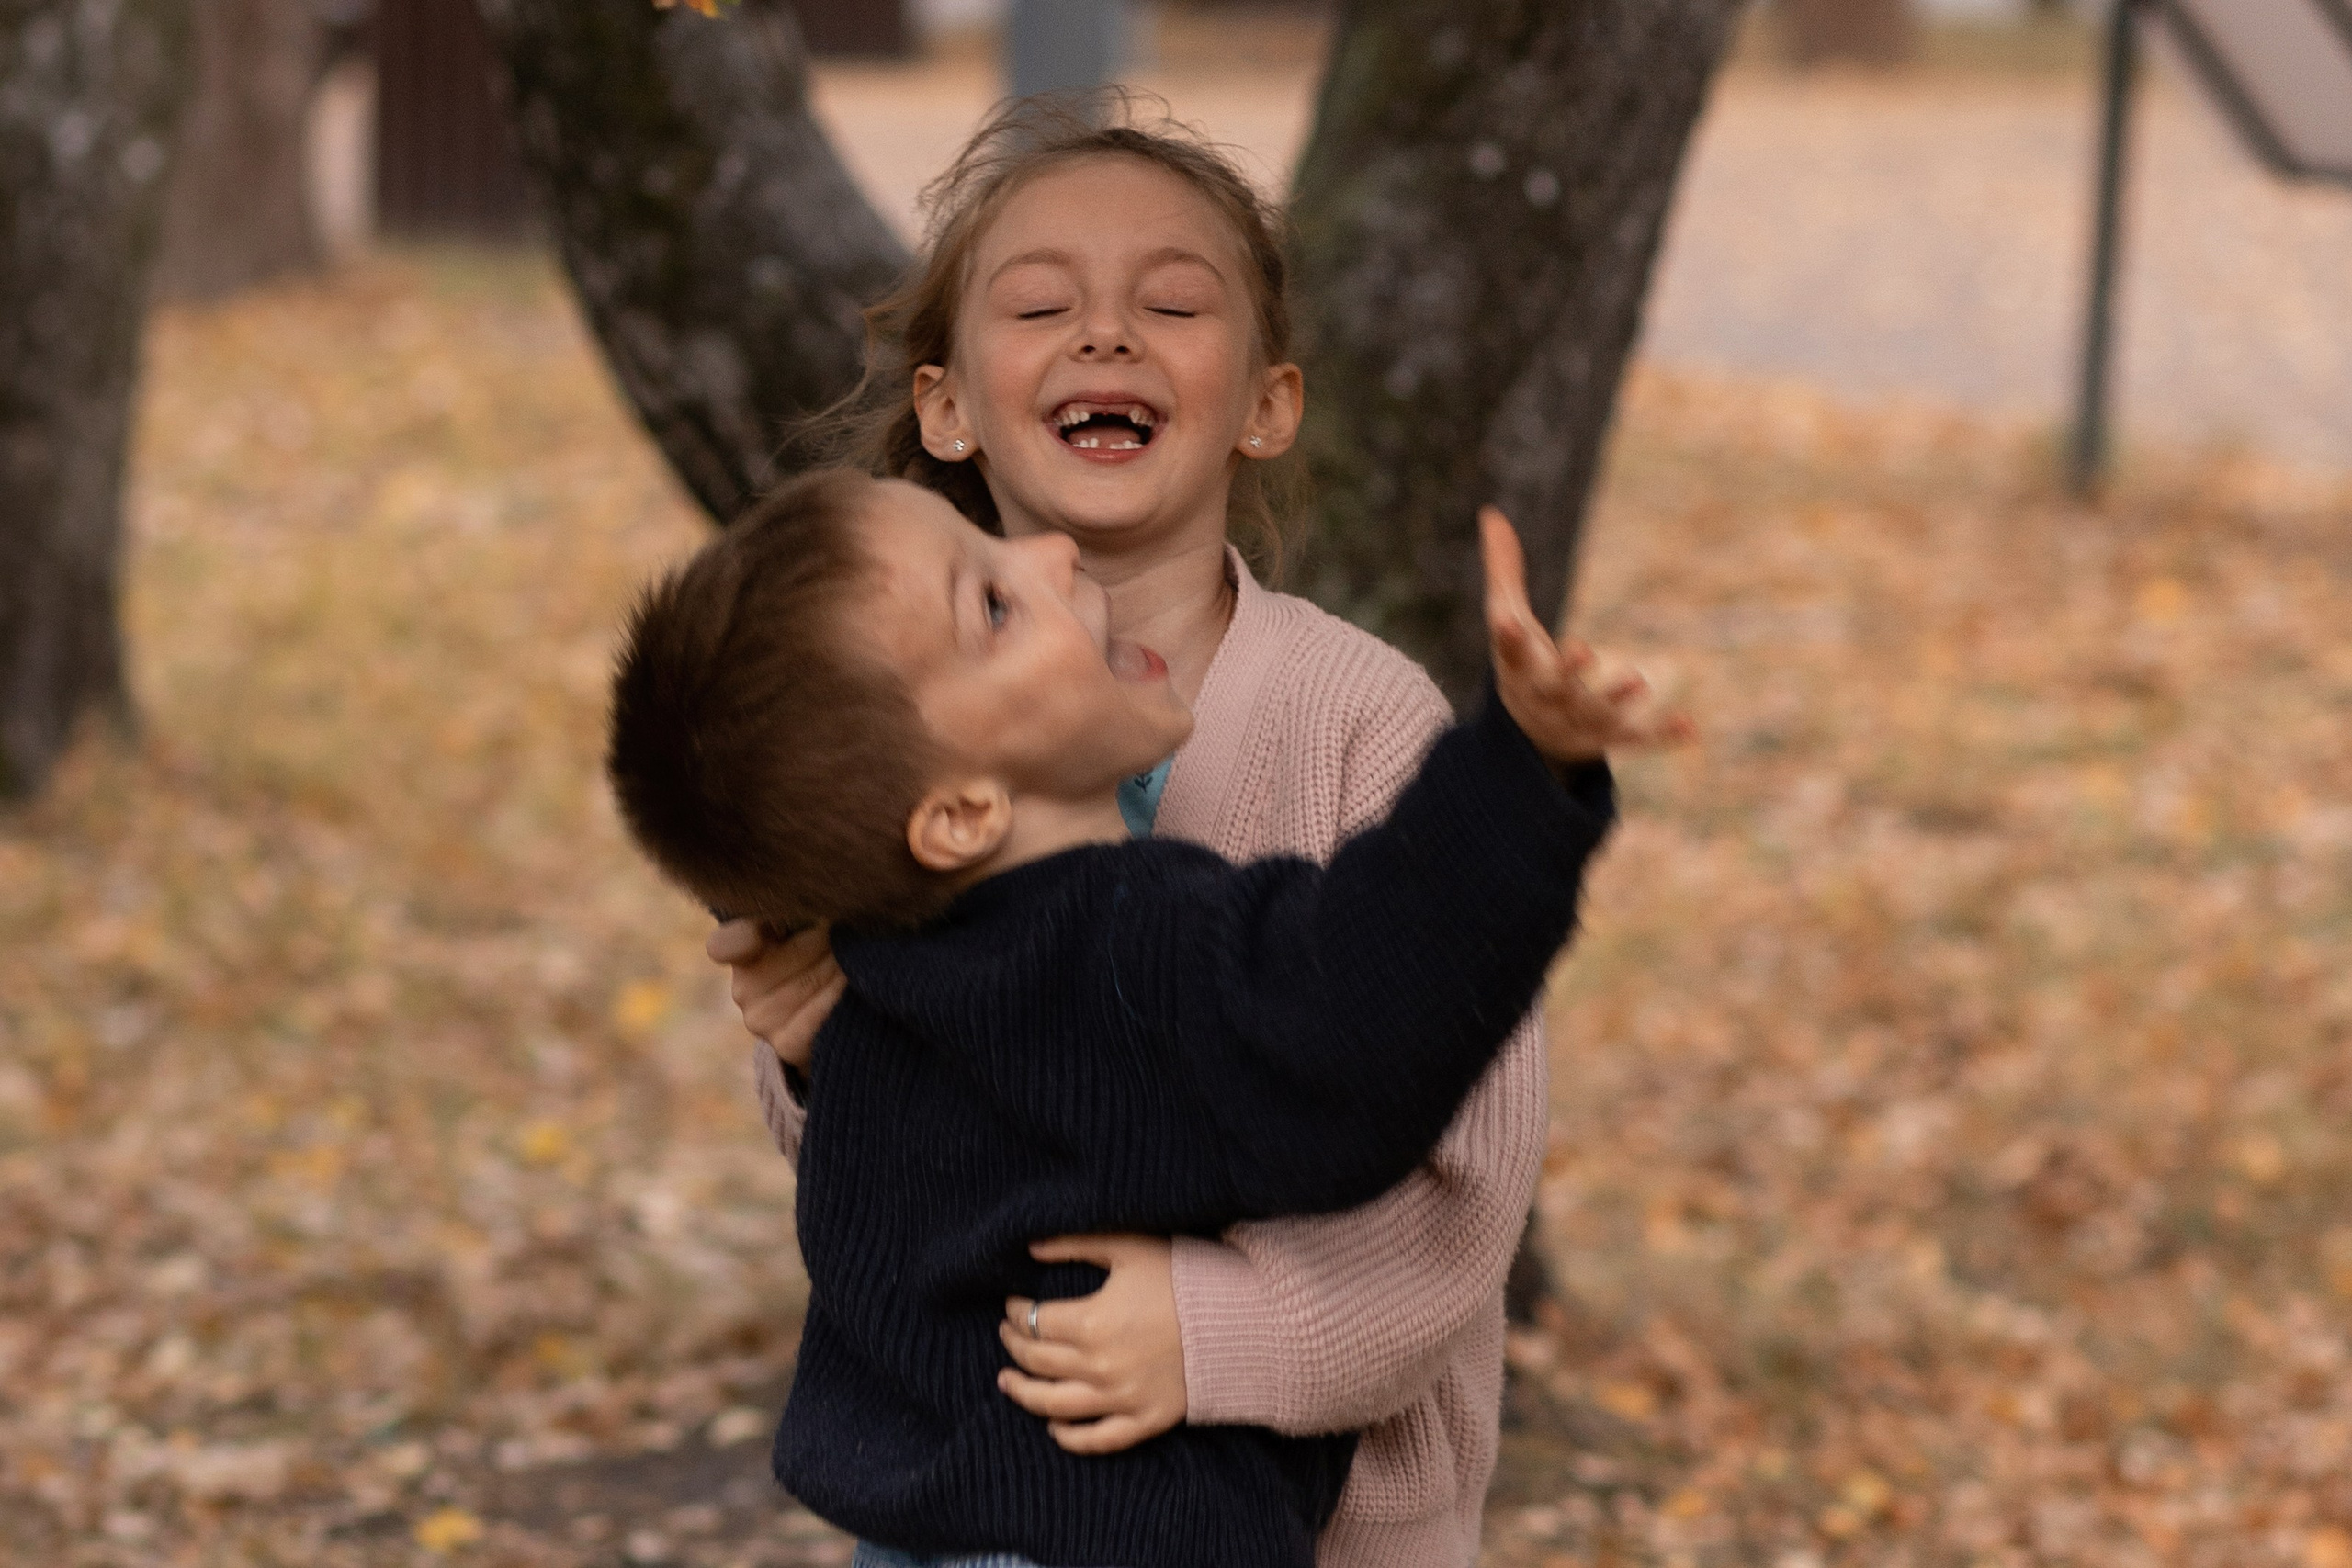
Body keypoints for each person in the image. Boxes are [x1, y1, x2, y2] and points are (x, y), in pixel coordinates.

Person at [718, 94, 1575, 1566]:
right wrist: (818, 1054)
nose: (1105, 331)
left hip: (1321, 1529)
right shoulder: (901, 711)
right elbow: (904, 1155)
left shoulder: (1359, 720)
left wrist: (1217, 1329)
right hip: (979, 1494)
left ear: (1265, 402)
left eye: (1171, 302)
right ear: (945, 405)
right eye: (1042, 301)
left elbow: (1463, 1172)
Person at [607, 467, 1679, 1567]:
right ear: (964, 813)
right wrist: (1519, 776)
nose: (1052, 555)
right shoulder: (1129, 945)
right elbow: (1351, 1022)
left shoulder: (882, 984)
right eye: (993, 604)